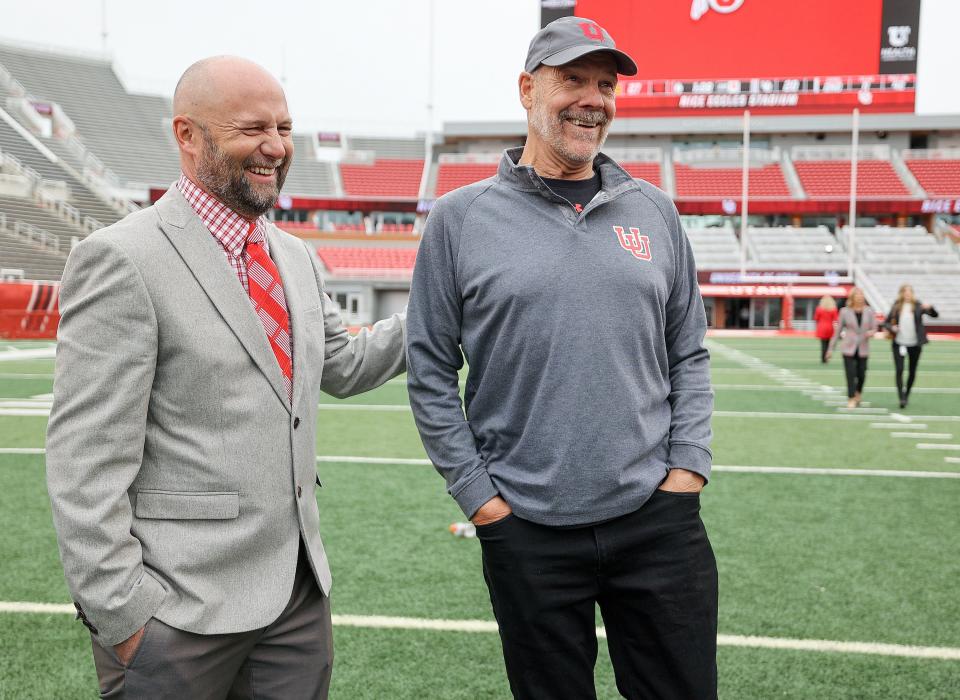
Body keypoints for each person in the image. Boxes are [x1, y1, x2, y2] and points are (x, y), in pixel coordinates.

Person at [45, 57, 405, 699]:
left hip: (295, 602)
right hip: (176, 614)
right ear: (187, 134)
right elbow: (85, 461)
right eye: (252, 128)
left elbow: (344, 365)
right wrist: (126, 617)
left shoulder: (293, 255)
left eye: (285, 127)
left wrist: (446, 309)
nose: (276, 146)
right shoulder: (122, 259)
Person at [406, 17, 717, 700]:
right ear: (527, 89)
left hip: (656, 522)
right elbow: (429, 369)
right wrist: (480, 500)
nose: (592, 98)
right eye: (573, 79)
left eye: (605, 84)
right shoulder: (459, 219)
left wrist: (688, 471)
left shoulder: (655, 212)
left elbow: (688, 353)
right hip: (527, 531)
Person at [882, 284, 938, 408]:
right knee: (899, 370)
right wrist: (892, 327)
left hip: (915, 344)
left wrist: (931, 307)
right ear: (901, 293)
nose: (907, 294)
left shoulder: (918, 305)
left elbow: (935, 315)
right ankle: (901, 398)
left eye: (909, 292)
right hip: (899, 343)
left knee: (912, 371)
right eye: (905, 292)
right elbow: (885, 323)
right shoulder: (896, 306)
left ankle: (906, 394)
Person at [825, 287, 877, 409]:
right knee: (850, 373)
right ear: (852, 297)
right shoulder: (844, 311)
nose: (859, 297)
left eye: (861, 295)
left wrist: (871, 332)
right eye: (857, 295)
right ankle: (851, 397)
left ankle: (858, 392)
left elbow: (874, 327)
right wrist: (830, 349)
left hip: (863, 346)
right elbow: (837, 331)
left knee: (862, 373)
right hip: (848, 346)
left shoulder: (869, 311)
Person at [813, 295, 839, 363]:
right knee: (829, 344)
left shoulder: (819, 309)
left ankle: (823, 358)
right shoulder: (833, 309)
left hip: (821, 327)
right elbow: (836, 319)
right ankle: (827, 356)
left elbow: (816, 318)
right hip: (830, 327)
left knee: (823, 344)